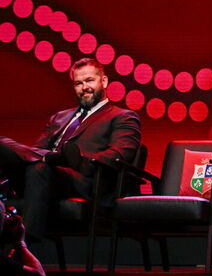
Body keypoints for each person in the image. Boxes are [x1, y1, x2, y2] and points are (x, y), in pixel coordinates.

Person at [0, 57, 141, 241]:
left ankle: (25, 243)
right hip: (43, 174)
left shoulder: (122, 117)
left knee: (39, 167)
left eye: (90, 80)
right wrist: (52, 158)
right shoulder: (59, 117)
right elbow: (35, 153)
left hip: (84, 180)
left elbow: (119, 155)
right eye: (78, 83)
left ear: (104, 81)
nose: (84, 87)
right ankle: (55, 159)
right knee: (5, 146)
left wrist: (80, 159)